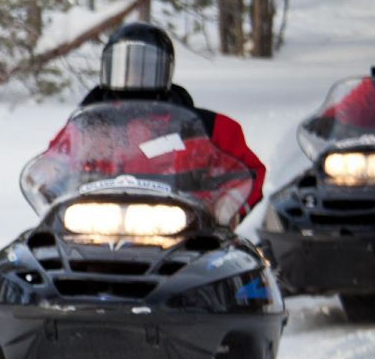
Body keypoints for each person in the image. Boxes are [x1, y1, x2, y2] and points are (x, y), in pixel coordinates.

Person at [77, 22, 266, 220]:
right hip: (98, 225)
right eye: (125, 64)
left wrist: (221, 212)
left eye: (146, 66)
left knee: (236, 251)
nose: (134, 75)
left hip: (182, 230)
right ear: (108, 67)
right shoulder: (87, 125)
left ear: (165, 69)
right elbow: (53, 168)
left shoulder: (204, 126)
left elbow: (250, 173)